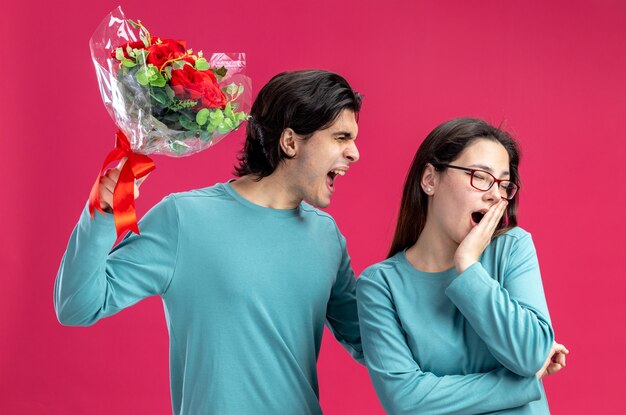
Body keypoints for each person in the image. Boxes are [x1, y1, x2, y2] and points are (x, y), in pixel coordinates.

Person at [55, 70, 363, 414]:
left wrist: (429, 266)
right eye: (341, 137)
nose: (354, 153)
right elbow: (78, 306)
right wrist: (103, 211)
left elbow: (372, 342)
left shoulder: (327, 237)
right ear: (290, 142)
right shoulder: (184, 218)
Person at [356, 118, 568, 414]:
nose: (496, 194)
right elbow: (406, 402)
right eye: (481, 176)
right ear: (430, 179)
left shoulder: (512, 248)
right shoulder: (380, 286)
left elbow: (531, 355)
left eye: (505, 185)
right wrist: (520, 385)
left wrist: (468, 267)